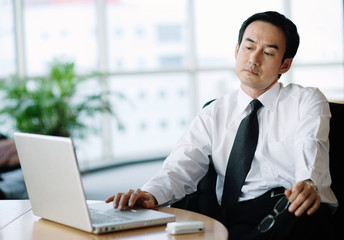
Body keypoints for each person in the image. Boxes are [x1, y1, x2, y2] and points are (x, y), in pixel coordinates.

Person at [106, 11, 338, 239]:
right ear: (237, 51)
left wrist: (308, 184)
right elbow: (180, 167)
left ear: (284, 65)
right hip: (230, 215)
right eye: (248, 47)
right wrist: (150, 194)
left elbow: (311, 146)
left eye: (268, 52)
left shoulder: (305, 100)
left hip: (286, 208)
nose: (253, 59)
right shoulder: (214, 112)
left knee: (302, 214)